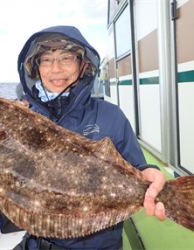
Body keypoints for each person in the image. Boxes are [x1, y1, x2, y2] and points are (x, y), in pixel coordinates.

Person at [17, 26, 166, 250]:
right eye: (46, 59)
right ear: (36, 68)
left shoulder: (110, 115)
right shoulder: (23, 119)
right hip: (38, 244)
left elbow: (137, 167)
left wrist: (148, 175)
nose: (55, 68)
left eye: (66, 57)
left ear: (83, 64)